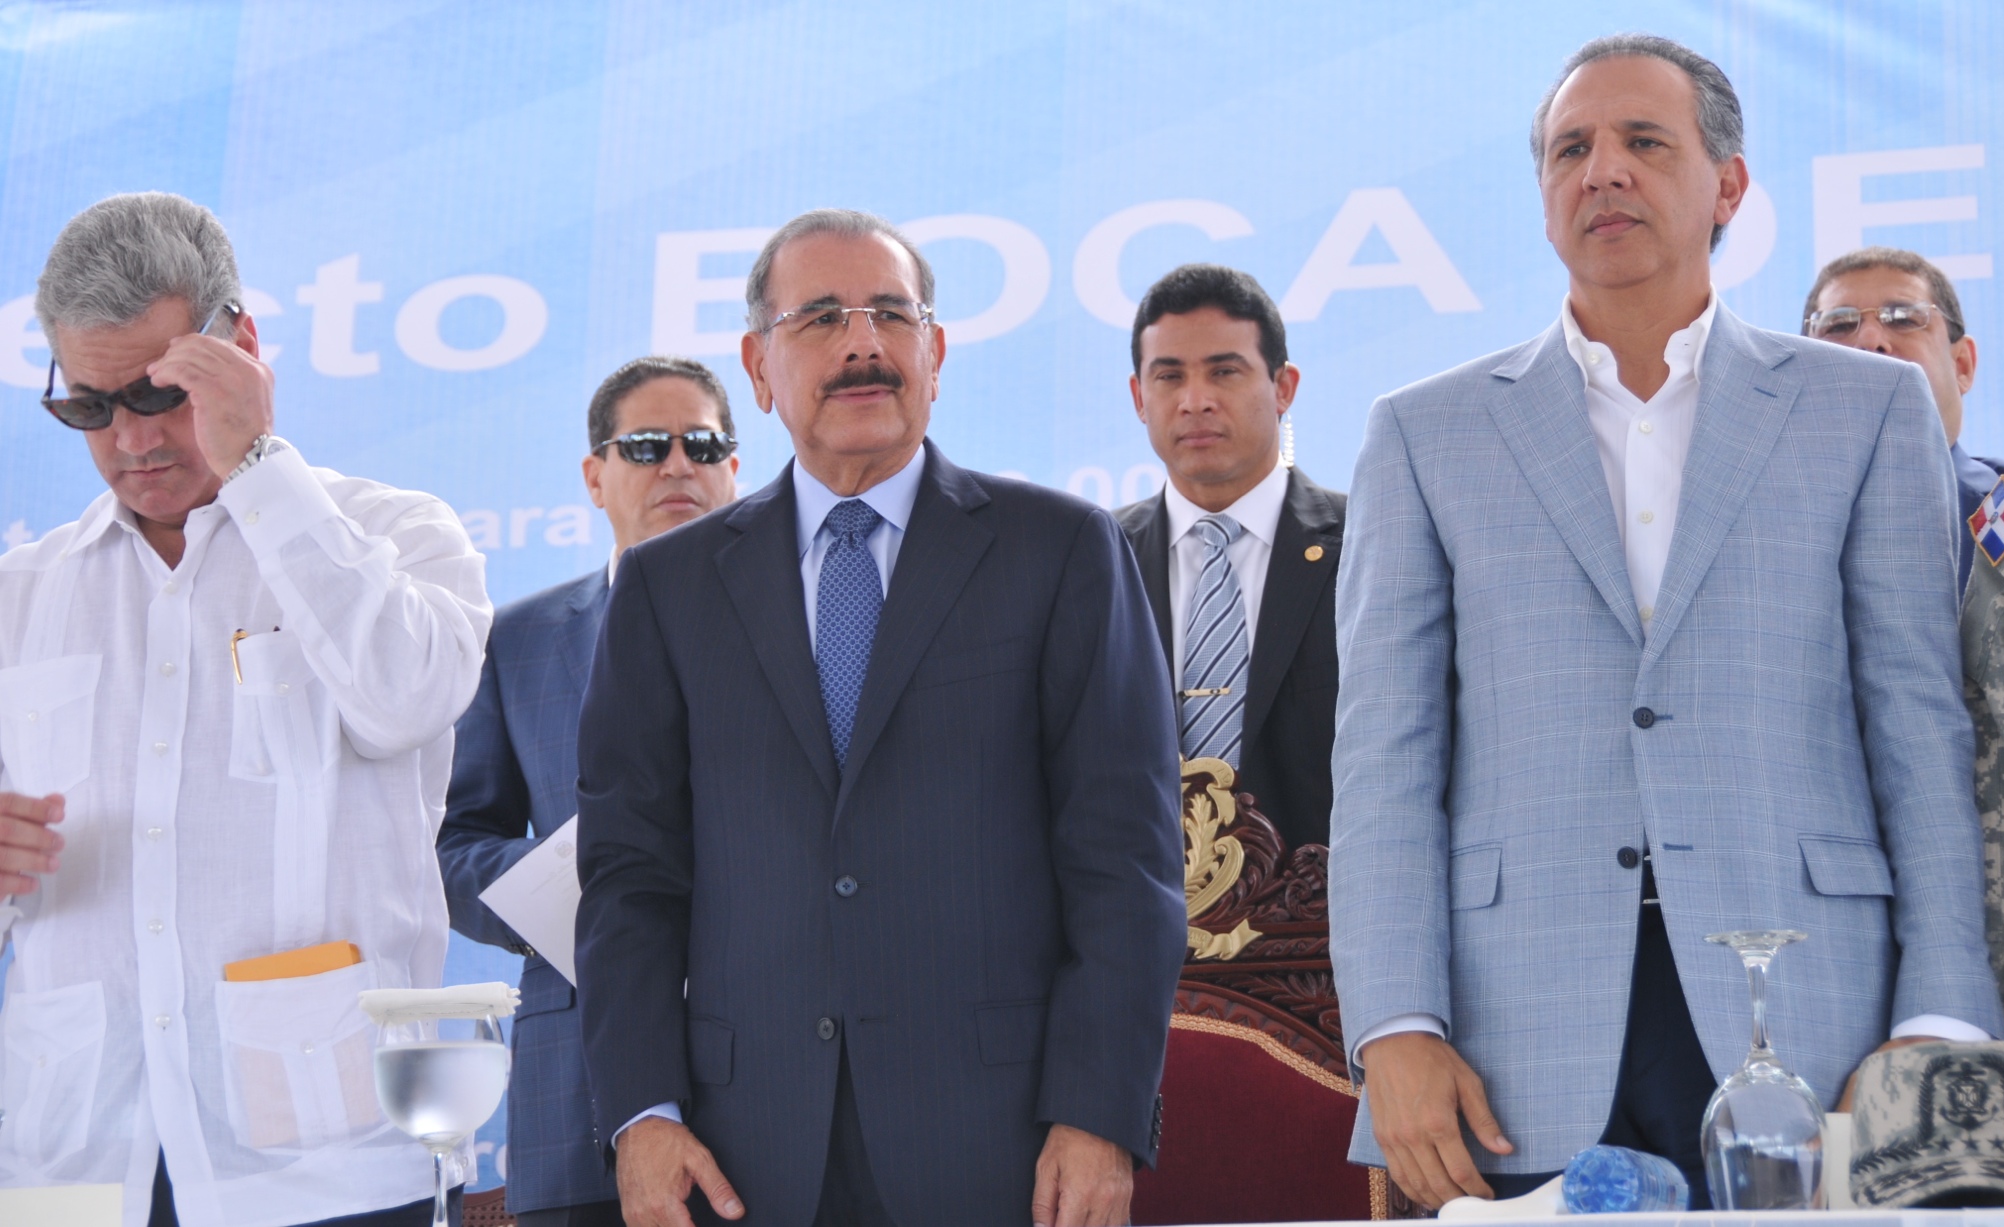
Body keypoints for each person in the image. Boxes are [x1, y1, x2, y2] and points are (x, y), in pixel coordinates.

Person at [1330, 35, 2003, 1210]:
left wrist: (1938, 1016)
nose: (1603, 171)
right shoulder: (1423, 432)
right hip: (1510, 1036)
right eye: (1570, 150)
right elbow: (1384, 759)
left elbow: (1914, 726)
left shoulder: (1866, 410)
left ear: (1727, 186)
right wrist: (1394, 1024)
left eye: (1643, 141)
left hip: (1820, 1020)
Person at [573, 208, 1187, 1227]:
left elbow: (1125, 865)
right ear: (758, 368)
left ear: (935, 355)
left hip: (1006, 1147)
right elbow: (630, 879)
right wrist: (641, 1113)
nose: (863, 343)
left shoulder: (1060, 551)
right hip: (739, 1155)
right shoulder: (666, 589)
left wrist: (1098, 1114)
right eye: (820, 317)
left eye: (892, 315)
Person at [0, 192, 491, 1225]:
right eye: (91, 408)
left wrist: (258, 465)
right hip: (73, 1168)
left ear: (243, 349)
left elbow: (404, 699)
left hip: (328, 1163)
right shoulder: (22, 595)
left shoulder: (399, 533)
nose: (131, 438)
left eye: (160, 391)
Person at [437, 356, 740, 1227]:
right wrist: (589, 885)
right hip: (577, 1091)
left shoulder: (804, 620)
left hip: (782, 1072)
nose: (678, 464)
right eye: (646, 446)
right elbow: (453, 844)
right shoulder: (517, 641)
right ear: (594, 476)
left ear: (734, 468)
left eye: (703, 445)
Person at [1114, 264, 1345, 849]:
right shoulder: (1094, 559)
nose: (1195, 401)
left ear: (1283, 387)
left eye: (1224, 371)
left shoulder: (1370, 541)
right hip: (1144, 900)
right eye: (1169, 376)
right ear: (1139, 397)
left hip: (1330, 898)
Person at [1802, 247, 1999, 592]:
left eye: (1903, 319)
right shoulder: (1759, 523)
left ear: (1962, 366)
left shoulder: (2001, 508)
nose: (1869, 341)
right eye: (1839, 324)